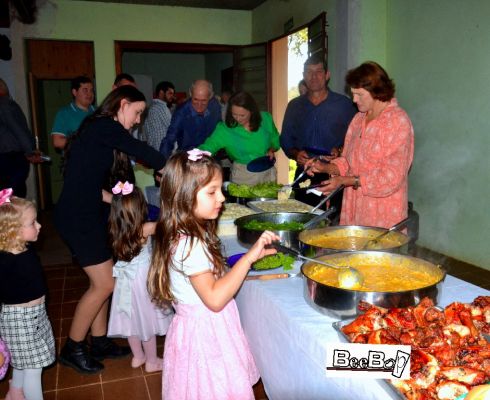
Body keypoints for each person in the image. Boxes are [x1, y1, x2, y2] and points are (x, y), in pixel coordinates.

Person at [147, 150, 280, 400]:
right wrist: (248, 258)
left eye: (220, 189)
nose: (222, 197)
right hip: (206, 336)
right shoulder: (191, 245)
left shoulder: (182, 233)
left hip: (194, 330)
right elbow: (215, 299)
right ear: (184, 196)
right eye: (212, 191)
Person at [54, 85, 166, 374]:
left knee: (107, 280)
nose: (139, 119)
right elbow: (140, 150)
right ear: (123, 104)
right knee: (104, 283)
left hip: (90, 213)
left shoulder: (99, 130)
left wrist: (116, 200)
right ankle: (73, 347)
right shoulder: (104, 126)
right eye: (138, 112)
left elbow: (90, 183)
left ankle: (100, 341)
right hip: (78, 218)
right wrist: (172, 165)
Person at [305, 61, 414, 229]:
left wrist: (346, 181)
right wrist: (324, 168)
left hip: (382, 213)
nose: (354, 100)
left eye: (359, 94)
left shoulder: (397, 121)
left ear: (376, 91)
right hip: (354, 209)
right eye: (352, 94)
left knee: (377, 255)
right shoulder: (358, 120)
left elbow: (392, 177)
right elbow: (348, 162)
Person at [107, 182, 172, 373]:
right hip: (142, 280)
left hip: (124, 282)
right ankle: (151, 361)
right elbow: (168, 225)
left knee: (131, 321)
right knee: (147, 322)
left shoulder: (115, 230)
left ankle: (138, 356)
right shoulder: (147, 228)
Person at [280, 54, 357, 210]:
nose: (313, 76)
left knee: (332, 225)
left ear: (327, 75)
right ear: (303, 76)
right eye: (308, 72)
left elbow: (357, 139)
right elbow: (285, 139)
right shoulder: (295, 106)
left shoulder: (344, 105)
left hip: (335, 175)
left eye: (318, 71)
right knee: (304, 223)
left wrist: (340, 150)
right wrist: (296, 154)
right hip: (305, 174)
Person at [0, 189, 56, 399]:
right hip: (18, 321)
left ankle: (14, 393)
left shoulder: (26, 251)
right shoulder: (4, 261)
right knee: (33, 368)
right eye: (33, 223)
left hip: (36, 315)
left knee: (24, 362)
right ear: (13, 231)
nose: (39, 225)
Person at [199, 91, 280, 185]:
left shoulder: (266, 119)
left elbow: (276, 141)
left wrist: (271, 149)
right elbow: (209, 146)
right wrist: (198, 153)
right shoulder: (225, 129)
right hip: (243, 176)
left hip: (268, 173)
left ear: (252, 111)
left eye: (242, 115)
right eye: (234, 114)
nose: (238, 118)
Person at [159, 79, 221, 160]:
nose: (199, 105)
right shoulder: (181, 113)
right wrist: (162, 164)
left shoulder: (215, 106)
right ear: (190, 94)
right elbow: (169, 139)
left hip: (211, 157)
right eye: (195, 99)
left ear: (210, 96)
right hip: (189, 160)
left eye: (204, 101)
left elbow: (220, 129)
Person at [0, 78, 41, 198]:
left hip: (8, 158)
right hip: (12, 158)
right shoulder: (6, 104)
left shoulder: (4, 104)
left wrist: (30, 151)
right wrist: (30, 151)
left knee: (7, 195)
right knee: (12, 194)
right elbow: (19, 129)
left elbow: (16, 129)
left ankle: (10, 216)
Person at [51, 76, 95, 150]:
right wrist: (83, 141)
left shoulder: (99, 112)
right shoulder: (64, 113)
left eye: (91, 90)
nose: (89, 94)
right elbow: (57, 142)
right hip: (77, 160)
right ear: (75, 92)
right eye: (85, 90)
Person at [143, 81, 175, 151]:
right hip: (162, 150)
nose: (172, 96)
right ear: (161, 93)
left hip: (155, 150)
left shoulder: (152, 107)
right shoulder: (160, 107)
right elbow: (173, 128)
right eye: (170, 93)